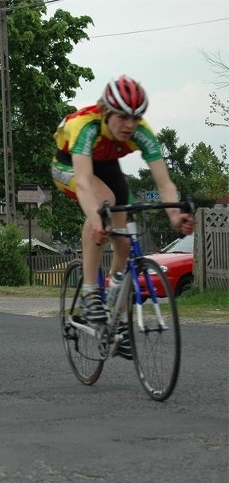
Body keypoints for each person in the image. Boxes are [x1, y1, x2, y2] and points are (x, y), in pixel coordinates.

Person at [51, 75, 194, 356]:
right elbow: (82, 182)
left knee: (125, 240)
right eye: (123, 117)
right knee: (103, 203)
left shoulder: (142, 131)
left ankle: (115, 307)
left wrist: (175, 216)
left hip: (107, 167)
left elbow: (164, 183)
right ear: (107, 112)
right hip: (69, 167)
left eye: (136, 117)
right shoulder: (86, 127)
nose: (130, 125)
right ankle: (91, 292)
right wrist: (94, 218)